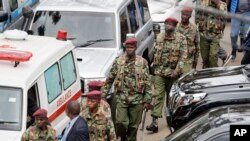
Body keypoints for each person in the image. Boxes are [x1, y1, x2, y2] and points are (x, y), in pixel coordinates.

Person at [102, 37, 152, 141]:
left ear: (135, 47)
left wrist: (147, 99)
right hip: (122, 97)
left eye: (131, 47)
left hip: (137, 99)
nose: (129, 49)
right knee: (120, 122)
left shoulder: (143, 62)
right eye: (127, 47)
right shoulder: (119, 61)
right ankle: (123, 136)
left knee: (133, 127)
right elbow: (110, 78)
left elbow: (147, 81)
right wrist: (103, 95)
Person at [146, 17, 188, 133]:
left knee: (171, 99)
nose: (168, 26)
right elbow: (155, 53)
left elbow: (183, 57)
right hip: (160, 73)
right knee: (157, 96)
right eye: (166, 24)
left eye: (171, 24)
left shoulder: (181, 39)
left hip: (173, 74)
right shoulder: (159, 37)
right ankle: (154, 123)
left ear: (174, 26)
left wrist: (177, 70)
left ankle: (173, 120)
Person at [195, 0, 227, 68]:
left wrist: (218, 4)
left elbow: (225, 17)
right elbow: (197, 14)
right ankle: (206, 73)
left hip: (215, 34)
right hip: (204, 34)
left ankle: (214, 73)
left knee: (213, 56)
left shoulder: (222, 4)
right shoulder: (202, 3)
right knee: (205, 58)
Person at [176, 7, 200, 73]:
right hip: (175, 59)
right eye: (183, 14)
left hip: (188, 60)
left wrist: (195, 64)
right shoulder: (176, 27)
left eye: (186, 15)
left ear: (190, 16)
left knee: (185, 77)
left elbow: (197, 46)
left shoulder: (194, 28)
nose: (184, 16)